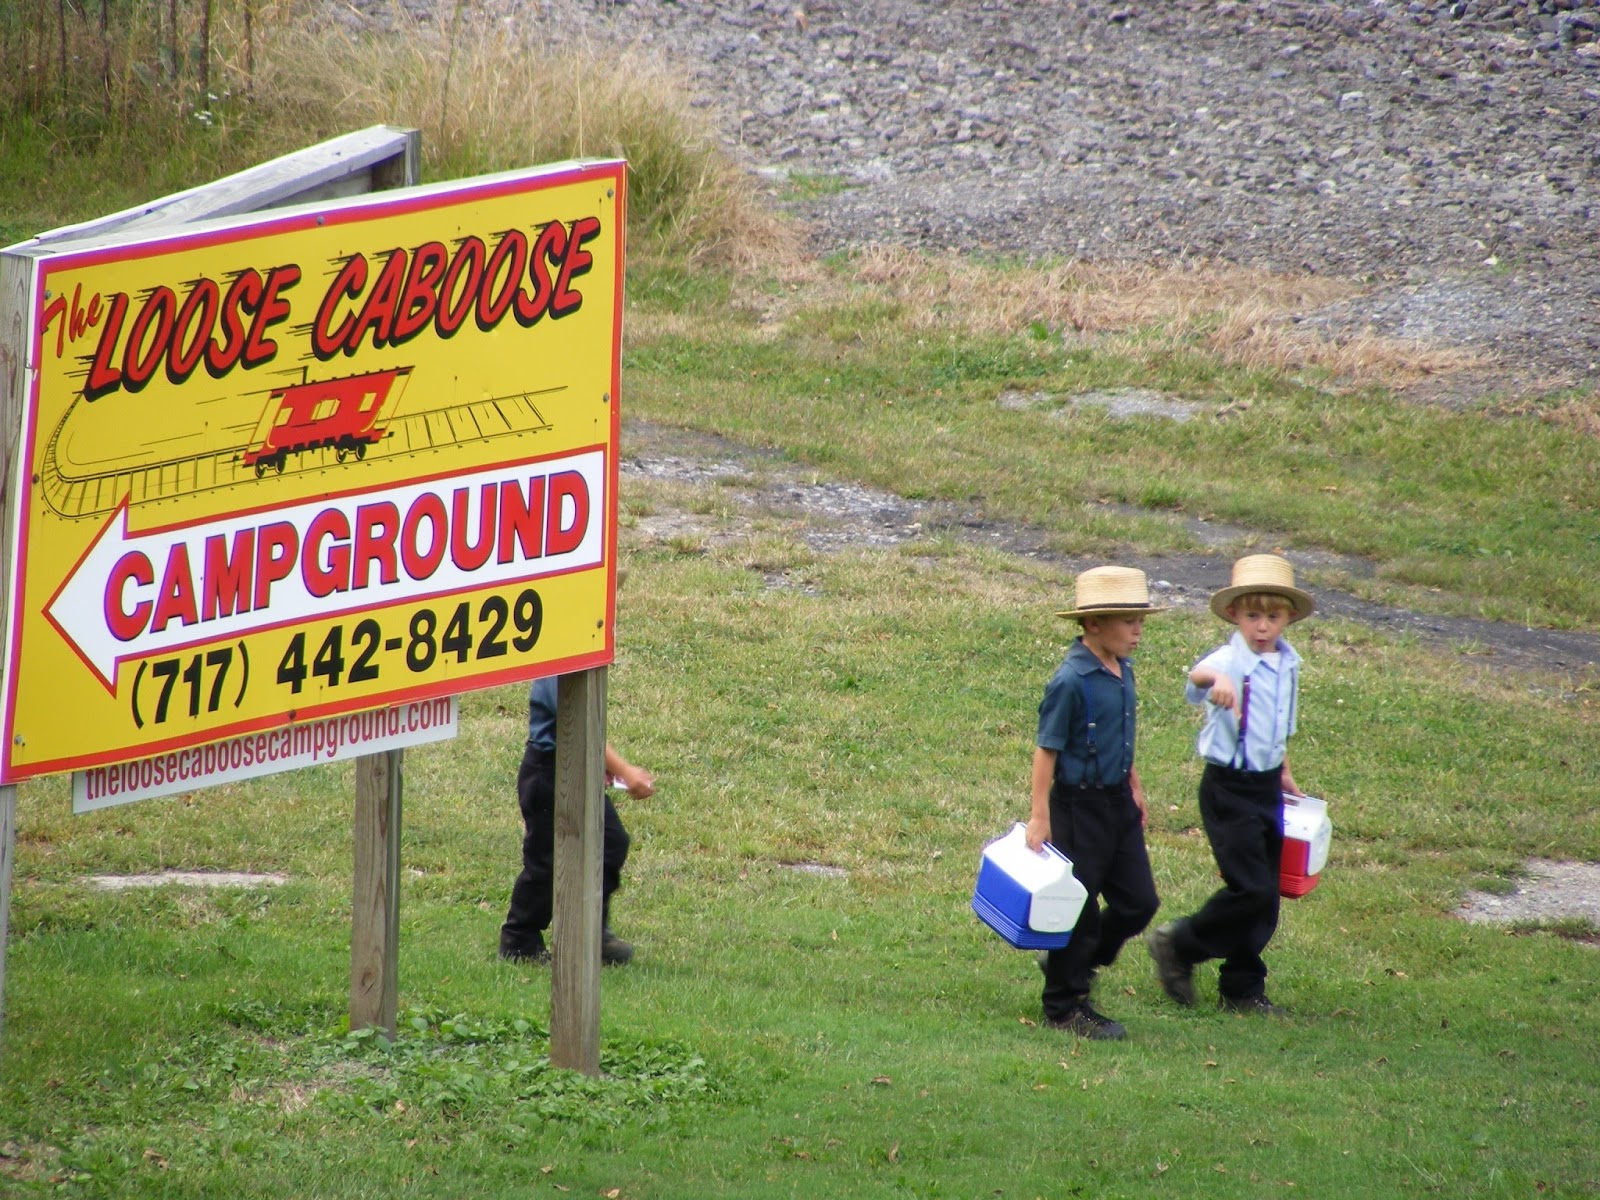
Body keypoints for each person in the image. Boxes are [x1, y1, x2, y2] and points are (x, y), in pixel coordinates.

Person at [1147, 553, 1314, 1016]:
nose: (1262, 626)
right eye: (1253, 615)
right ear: (1235, 615)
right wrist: (1218, 679)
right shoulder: (1228, 658)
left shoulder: (1288, 664)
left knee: (1267, 893)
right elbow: (1195, 678)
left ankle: (1242, 986)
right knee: (1250, 888)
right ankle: (1180, 944)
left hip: (1265, 785)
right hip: (1227, 788)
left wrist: (1282, 768)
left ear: (1289, 618)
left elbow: (1278, 722)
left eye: (1273, 616)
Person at [1026, 565, 1165, 1041]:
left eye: (1140, 620)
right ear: (1093, 625)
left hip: (1117, 803)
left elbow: (1118, 737)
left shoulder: (1122, 670)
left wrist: (1135, 785)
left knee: (1139, 902)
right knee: (1078, 911)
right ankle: (1065, 1006)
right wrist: (1039, 816)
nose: (1138, 630)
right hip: (1078, 809)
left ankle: (1074, 962)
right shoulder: (1070, 681)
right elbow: (1047, 750)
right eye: (1128, 621)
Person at [498, 674, 655, 966]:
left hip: (577, 765)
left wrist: (595, 761)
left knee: (610, 843)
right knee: (545, 862)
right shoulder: (557, 664)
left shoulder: (581, 659)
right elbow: (577, 718)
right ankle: (519, 939)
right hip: (547, 771)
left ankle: (591, 933)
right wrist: (627, 771)